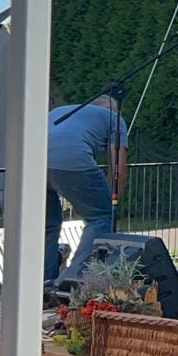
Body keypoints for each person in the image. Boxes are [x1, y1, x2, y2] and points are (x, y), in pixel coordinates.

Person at [45, 94, 128, 282]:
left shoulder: (59, 111)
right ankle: (73, 279)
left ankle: (44, 282)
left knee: (48, 225)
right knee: (101, 217)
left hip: (34, 160)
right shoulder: (113, 117)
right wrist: (111, 200)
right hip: (73, 160)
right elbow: (118, 168)